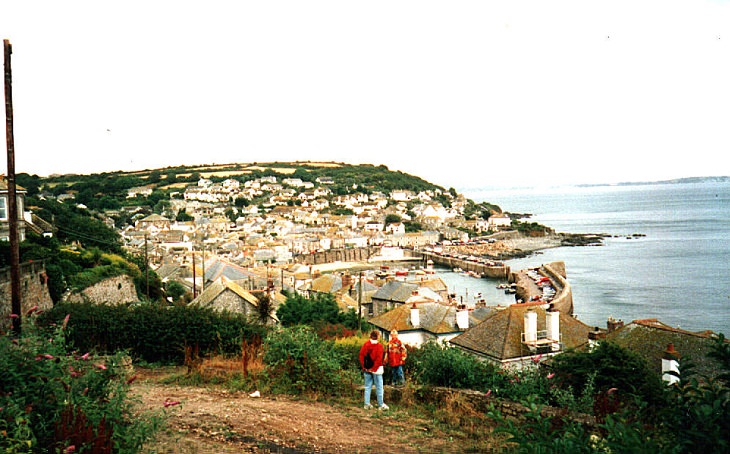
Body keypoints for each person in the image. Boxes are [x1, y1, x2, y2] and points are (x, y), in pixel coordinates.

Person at [359, 330, 388, 410]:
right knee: (379, 387)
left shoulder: (366, 345)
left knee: (367, 387)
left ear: (370, 336)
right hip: (377, 370)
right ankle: (380, 404)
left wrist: (364, 367)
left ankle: (367, 404)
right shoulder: (379, 346)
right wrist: (373, 369)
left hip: (367, 369)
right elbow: (379, 360)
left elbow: (361, 356)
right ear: (378, 336)